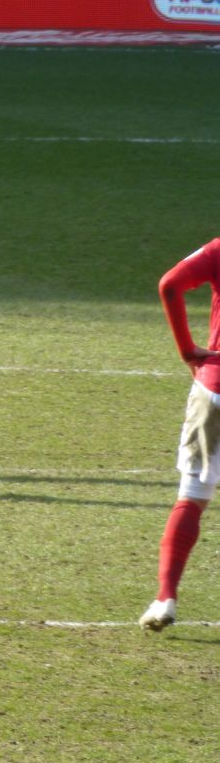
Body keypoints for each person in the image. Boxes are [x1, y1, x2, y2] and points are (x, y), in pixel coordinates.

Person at [140, 239, 220, 631]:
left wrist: (188, 350)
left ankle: (165, 598)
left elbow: (170, 284)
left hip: (215, 389)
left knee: (191, 497)